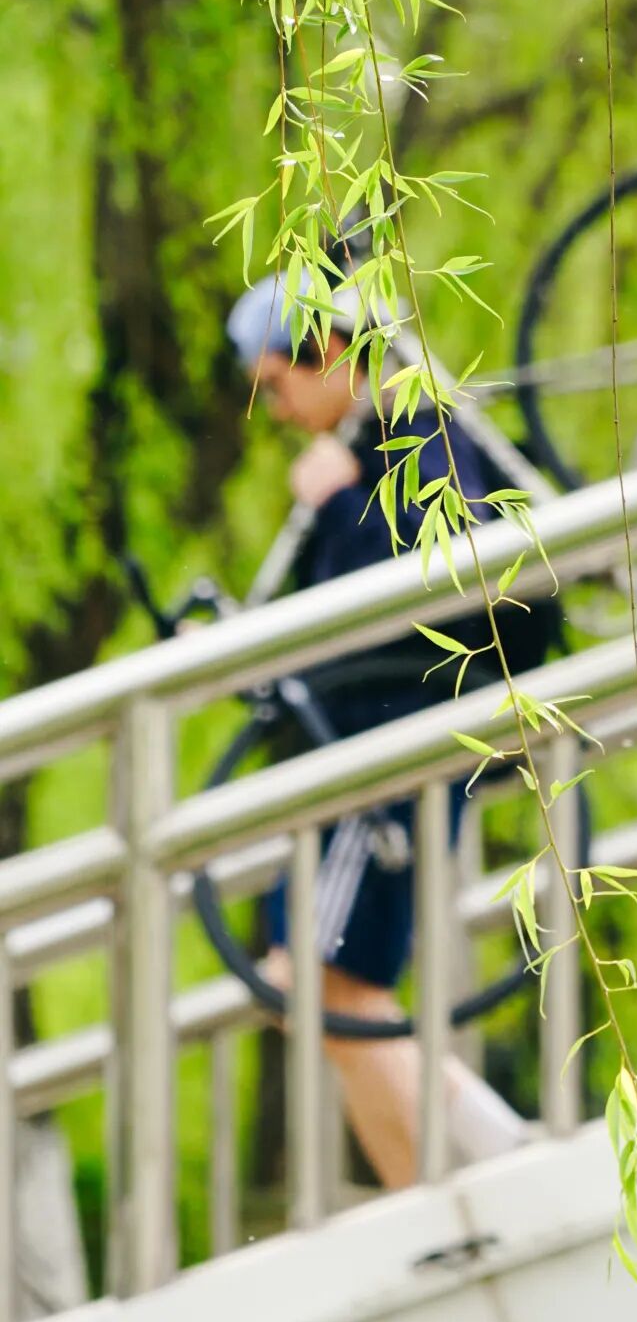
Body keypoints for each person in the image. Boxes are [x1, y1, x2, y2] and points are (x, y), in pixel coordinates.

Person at [226, 273, 531, 1189]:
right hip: (366, 746)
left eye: (276, 382)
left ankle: (478, 1176)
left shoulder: (412, 425)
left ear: (324, 353)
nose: (279, 410)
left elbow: (441, 570)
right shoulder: (373, 436)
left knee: (321, 987)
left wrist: (332, 504)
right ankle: (456, 1179)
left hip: (389, 748)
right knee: (325, 989)